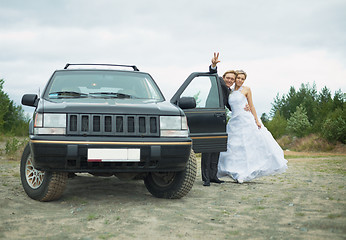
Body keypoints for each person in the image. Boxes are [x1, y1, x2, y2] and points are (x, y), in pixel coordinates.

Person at [217, 66, 288, 183]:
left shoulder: (247, 89)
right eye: (238, 78)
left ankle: (245, 173)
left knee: (247, 146)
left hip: (245, 120)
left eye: (242, 79)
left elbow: (252, 105)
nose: (240, 80)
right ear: (235, 79)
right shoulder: (229, 91)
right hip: (234, 122)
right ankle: (234, 171)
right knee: (234, 148)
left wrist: (257, 120)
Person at [201, 53, 249, 186]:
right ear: (223, 78)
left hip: (220, 119)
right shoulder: (219, 82)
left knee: (217, 147)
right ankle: (205, 178)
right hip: (210, 117)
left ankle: (213, 175)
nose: (229, 80)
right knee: (208, 148)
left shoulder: (229, 91)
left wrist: (243, 109)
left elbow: (231, 105)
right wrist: (214, 65)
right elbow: (213, 74)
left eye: (232, 79)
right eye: (228, 78)